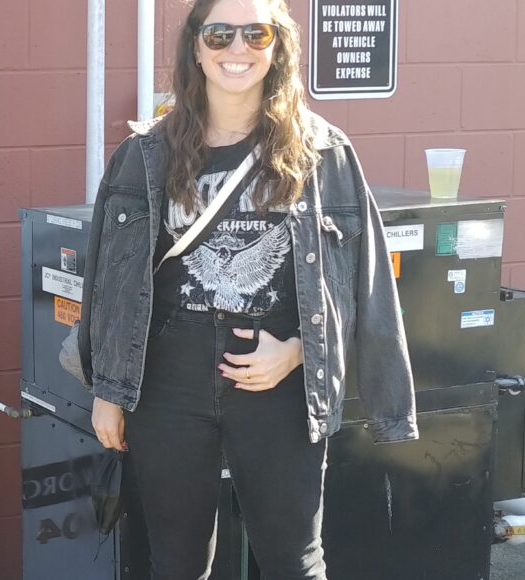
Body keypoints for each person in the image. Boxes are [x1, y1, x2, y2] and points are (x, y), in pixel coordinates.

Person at [73, 1, 417, 578]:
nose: (237, 49)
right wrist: (107, 389)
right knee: (177, 562)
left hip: (276, 379)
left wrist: (303, 351)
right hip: (167, 377)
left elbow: (363, 283)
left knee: (293, 561)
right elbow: (108, 281)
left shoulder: (323, 152)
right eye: (220, 34)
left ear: (278, 45)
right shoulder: (144, 154)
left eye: (255, 33)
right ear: (195, 46)